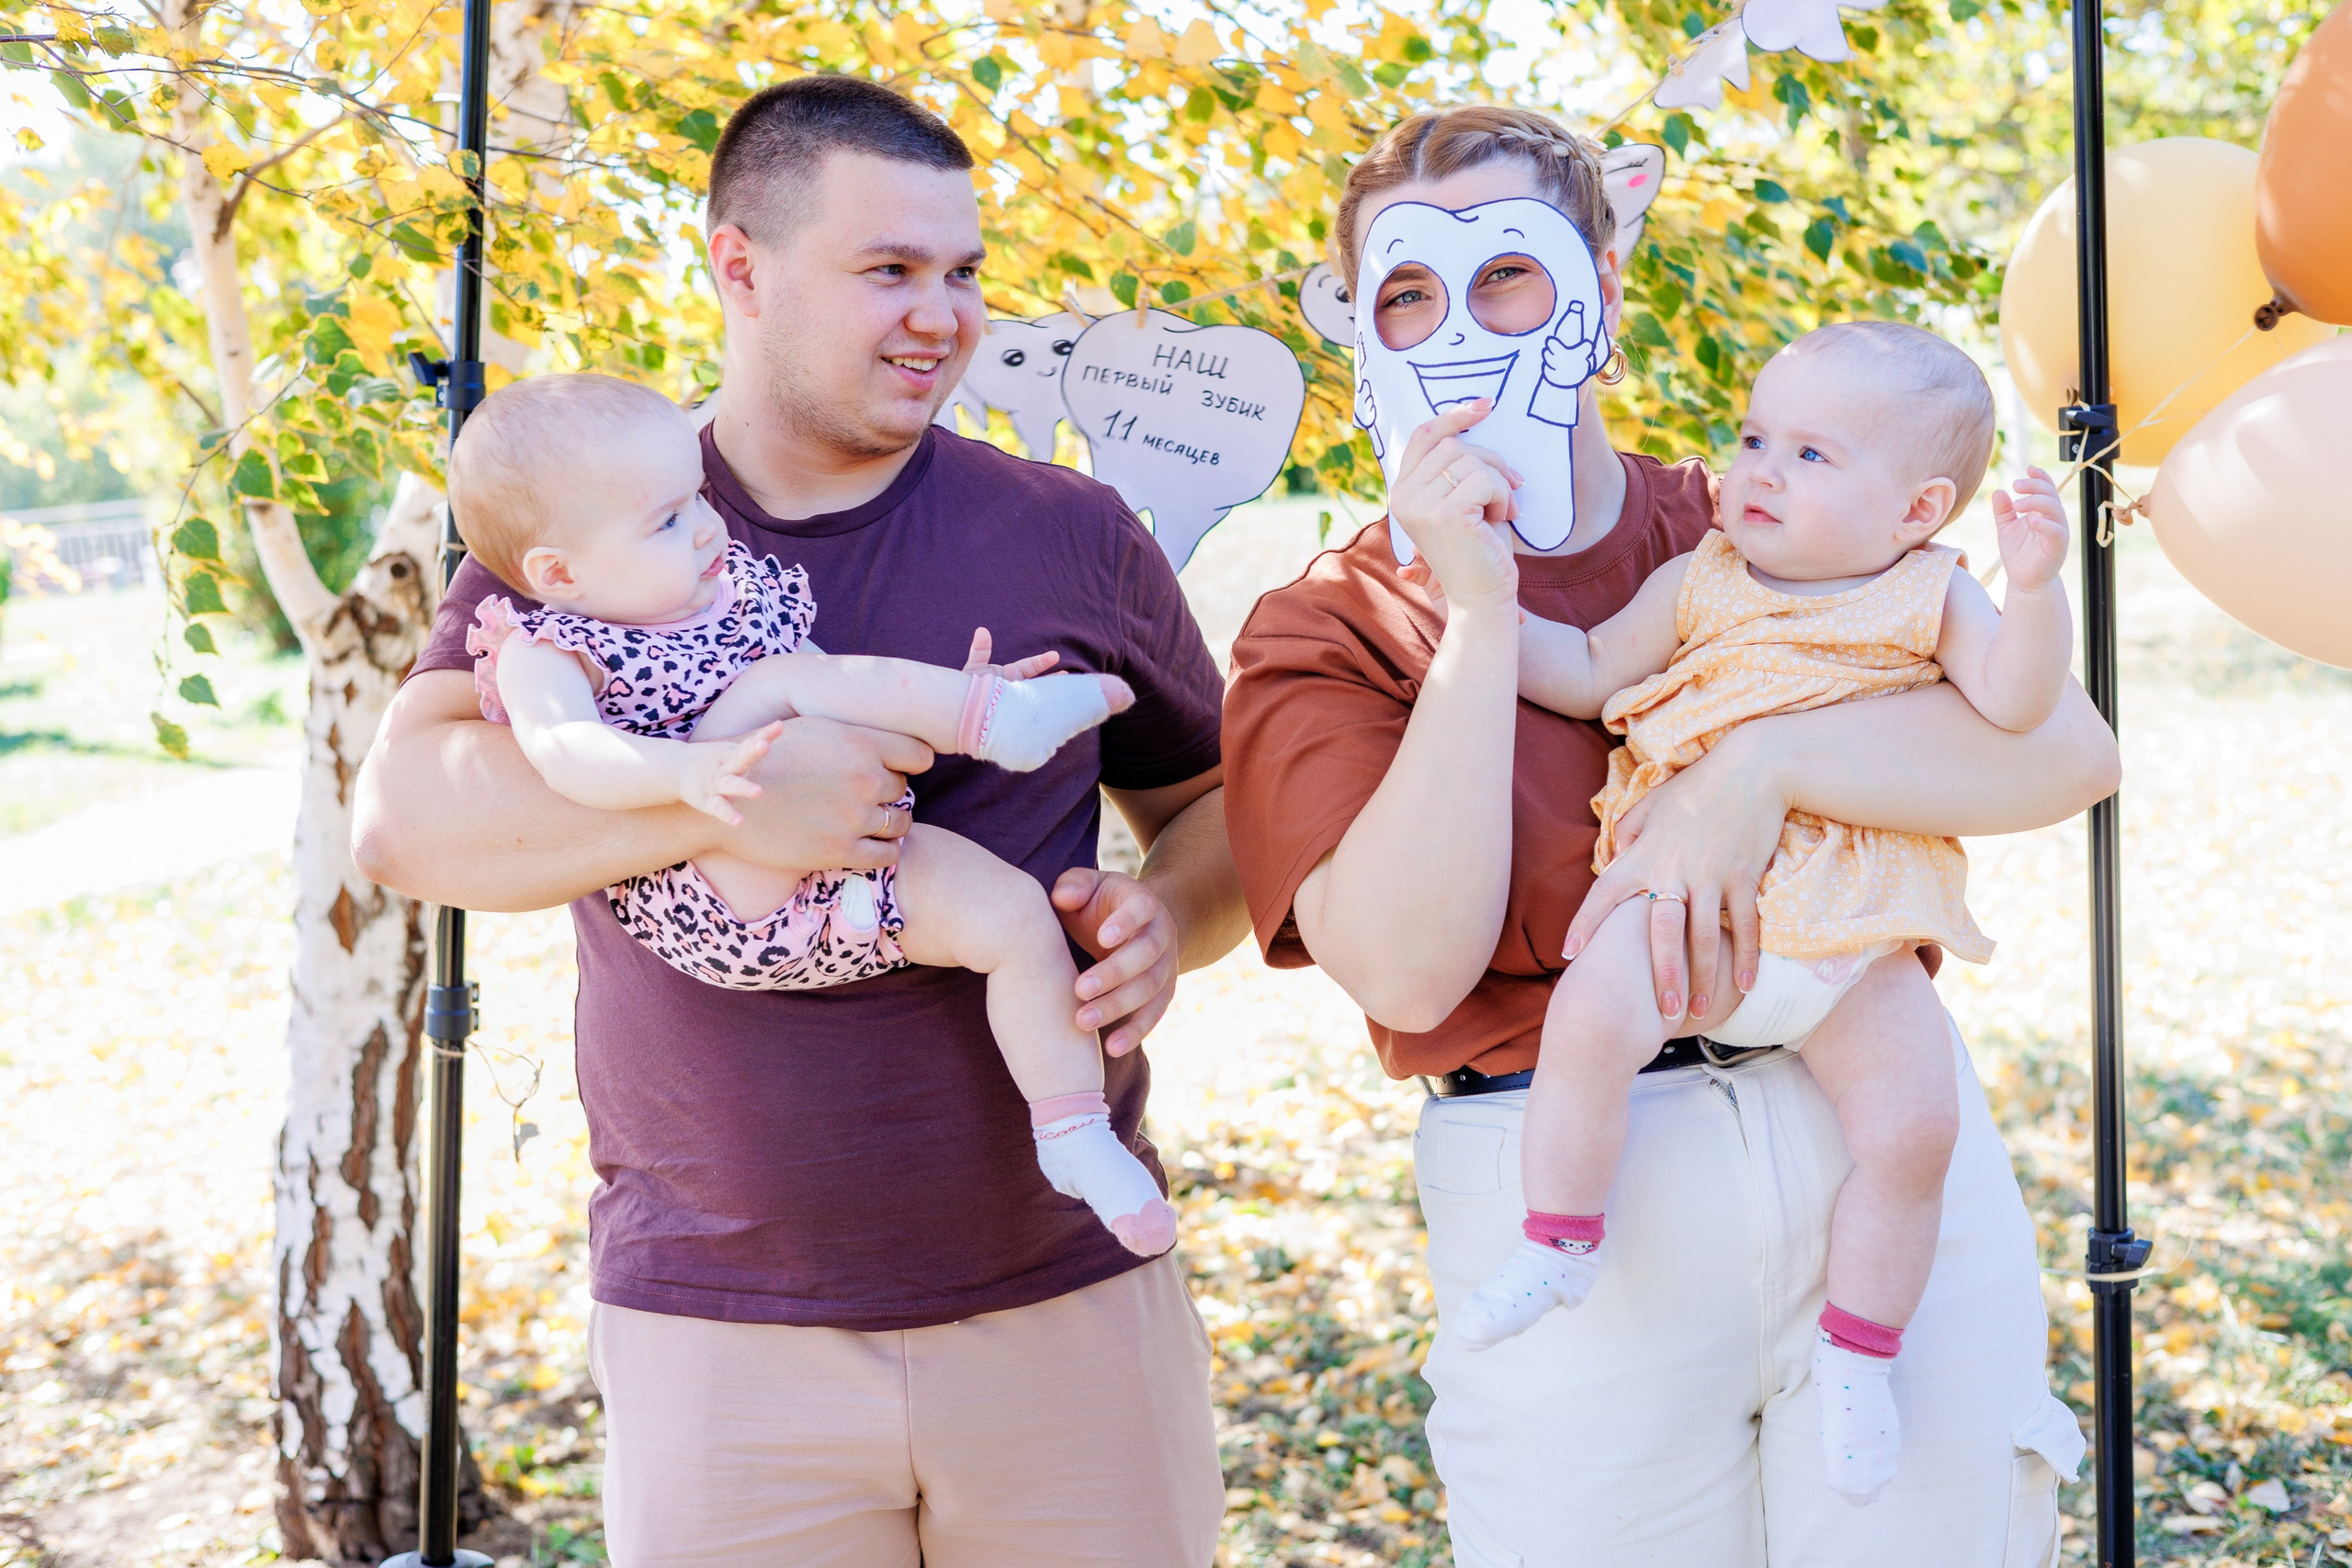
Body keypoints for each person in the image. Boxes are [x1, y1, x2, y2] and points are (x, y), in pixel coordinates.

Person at [354, 76, 1245, 1565]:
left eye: (963, 272)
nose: (941, 317)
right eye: (889, 269)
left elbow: (1212, 806)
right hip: (719, 1325)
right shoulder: (585, 524)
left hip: (1069, 1293)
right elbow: (407, 826)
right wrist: (743, 787)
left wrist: (1171, 916)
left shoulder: (1071, 530)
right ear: (741, 267)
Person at [1221, 104, 2115, 1566]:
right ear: (1358, 330)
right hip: (1582, 1181)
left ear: (1601, 290)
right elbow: (1408, 968)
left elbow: (2069, 752)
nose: (1460, 325)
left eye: (1509, 273)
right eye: (1409, 290)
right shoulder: (1329, 626)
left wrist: (1760, 766)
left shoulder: (1756, 515)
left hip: (1866, 1120)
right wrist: (1479, 610)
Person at [1437, 323, 2075, 1503]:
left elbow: (2019, 703)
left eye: (1811, 455)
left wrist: (2031, 589)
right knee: (1591, 1021)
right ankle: (1558, 1238)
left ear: (1916, 509)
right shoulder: (1701, 577)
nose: (1760, 472)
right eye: (1752, 440)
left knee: (1912, 1130)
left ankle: (1857, 1355)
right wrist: (1483, 606)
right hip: (1685, 900)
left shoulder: (1931, 594)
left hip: (1856, 924)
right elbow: (1586, 668)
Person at [448, 370, 1177, 1256]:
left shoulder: (732, 599)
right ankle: (997, 722)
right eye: (667, 520)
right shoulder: (546, 647)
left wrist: (929, 701)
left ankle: (1074, 1134)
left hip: (848, 878)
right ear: (559, 573)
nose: (707, 526)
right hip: (712, 895)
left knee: (1016, 915)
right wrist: (691, 776)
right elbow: (567, 752)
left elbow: (841, 714)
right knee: (781, 680)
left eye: (699, 498)